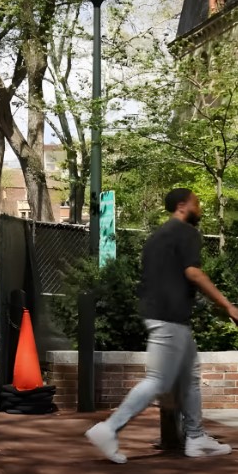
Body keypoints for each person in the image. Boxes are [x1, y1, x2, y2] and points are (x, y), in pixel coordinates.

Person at [85, 189, 238, 464]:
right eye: (196, 202)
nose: (199, 207)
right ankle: (109, 428)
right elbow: (193, 272)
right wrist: (227, 305)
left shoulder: (156, 238)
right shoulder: (187, 233)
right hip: (170, 318)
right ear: (182, 206)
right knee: (158, 381)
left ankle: (195, 437)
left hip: (161, 314)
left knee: (190, 378)